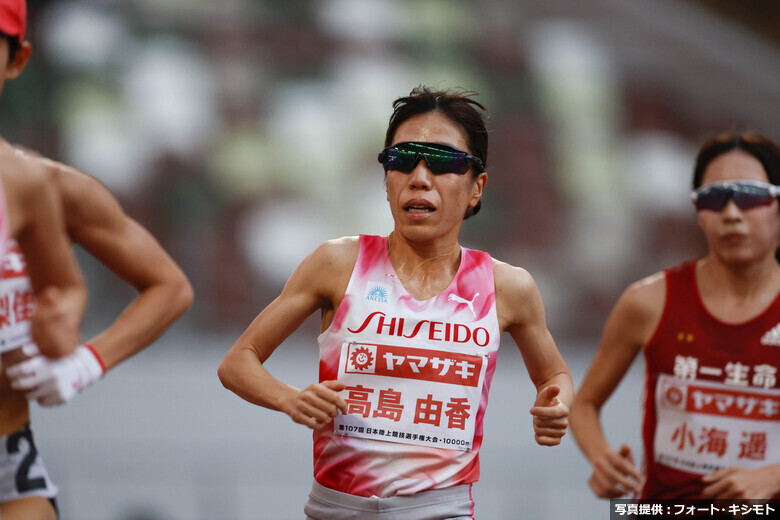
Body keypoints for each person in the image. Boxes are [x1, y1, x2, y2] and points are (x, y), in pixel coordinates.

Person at [218, 86, 573, 519]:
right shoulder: (336, 263)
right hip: (336, 508)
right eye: (402, 160)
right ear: (386, 181)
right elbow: (238, 362)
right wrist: (290, 399)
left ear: (477, 187)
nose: (419, 177)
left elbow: (553, 374)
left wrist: (557, 404)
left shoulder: (508, 287)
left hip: (442, 508)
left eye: (442, 161)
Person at [0, 1, 195, 518]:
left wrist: (81, 362)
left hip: (8, 455)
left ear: (17, 60)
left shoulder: (41, 186)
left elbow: (168, 287)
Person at [570, 132, 780, 502]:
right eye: (714, 198)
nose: (731, 214)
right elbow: (584, 404)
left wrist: (774, 476)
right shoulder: (647, 301)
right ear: (698, 211)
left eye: (749, 195)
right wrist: (601, 457)